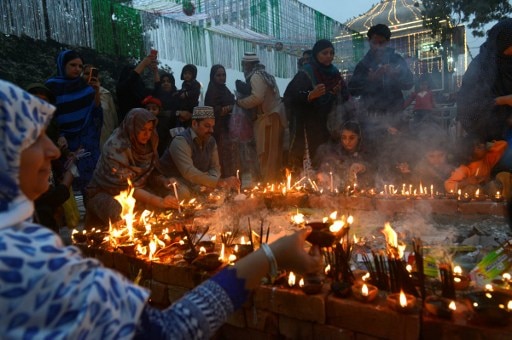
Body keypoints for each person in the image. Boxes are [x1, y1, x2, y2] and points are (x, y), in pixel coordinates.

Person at [0, 79, 323, 339]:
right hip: (109, 192)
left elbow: (172, 172)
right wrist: (270, 256)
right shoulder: (24, 264)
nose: (54, 151)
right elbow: (166, 330)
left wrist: (202, 187)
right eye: (34, 138)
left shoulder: (24, 243)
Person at [85, 108, 180, 228]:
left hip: (138, 189)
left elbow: (151, 173)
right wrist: (159, 201)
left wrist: (164, 181)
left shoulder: (150, 143)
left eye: (150, 130)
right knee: (121, 214)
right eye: (142, 129)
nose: (147, 134)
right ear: (132, 128)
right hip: (105, 191)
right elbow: (127, 186)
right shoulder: (116, 147)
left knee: (160, 211)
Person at [45, 50, 103, 201]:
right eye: (73, 65)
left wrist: (95, 91)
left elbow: (95, 113)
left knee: (89, 181)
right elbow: (48, 116)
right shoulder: (51, 87)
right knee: (65, 181)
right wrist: (59, 135)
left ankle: (92, 214)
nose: (77, 69)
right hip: (62, 144)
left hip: (85, 143)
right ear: (62, 65)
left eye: (80, 66)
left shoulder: (85, 87)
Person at [284, 39, 350, 169]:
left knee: (329, 159)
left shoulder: (334, 73)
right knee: (312, 159)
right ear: (316, 54)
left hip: (329, 126)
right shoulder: (306, 72)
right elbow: (289, 96)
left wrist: (337, 94)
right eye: (324, 53)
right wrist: (310, 95)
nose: (329, 56)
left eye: (331, 53)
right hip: (309, 125)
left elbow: (346, 96)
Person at [159, 106, 240, 199]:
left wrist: (211, 183)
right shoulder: (180, 141)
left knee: (221, 191)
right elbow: (189, 172)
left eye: (212, 126)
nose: (211, 130)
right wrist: (217, 182)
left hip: (195, 182)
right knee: (183, 193)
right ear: (194, 124)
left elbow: (215, 167)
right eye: (207, 126)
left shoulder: (211, 140)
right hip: (174, 181)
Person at [348, 24, 414, 134]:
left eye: (381, 43)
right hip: (372, 118)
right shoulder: (363, 64)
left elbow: (409, 84)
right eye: (374, 43)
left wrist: (397, 75)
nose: (378, 47)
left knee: (399, 148)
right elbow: (352, 90)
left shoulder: (396, 60)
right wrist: (370, 79)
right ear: (369, 41)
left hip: (395, 115)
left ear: (388, 42)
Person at [457, 18, 512, 142]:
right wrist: (502, 101)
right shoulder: (481, 67)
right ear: (503, 42)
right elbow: (468, 111)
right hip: (488, 137)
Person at [236, 52, 286, 182]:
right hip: (273, 117)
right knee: (272, 155)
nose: (243, 67)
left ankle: (268, 187)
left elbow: (257, 98)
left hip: (268, 119)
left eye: (244, 65)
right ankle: (271, 184)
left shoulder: (256, 76)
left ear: (248, 65)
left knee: (266, 155)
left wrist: (240, 102)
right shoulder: (265, 75)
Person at [314, 121, 374, 191]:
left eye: (352, 138)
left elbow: (374, 171)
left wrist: (363, 167)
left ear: (359, 137)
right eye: (344, 138)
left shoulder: (366, 153)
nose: (347, 142)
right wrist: (323, 174)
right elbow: (327, 165)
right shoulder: (336, 152)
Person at [204, 64, 236, 178]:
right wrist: (226, 108)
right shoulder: (212, 91)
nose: (222, 77)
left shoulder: (224, 89)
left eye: (223, 75)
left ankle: (232, 180)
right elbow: (211, 109)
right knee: (222, 156)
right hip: (218, 129)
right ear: (213, 76)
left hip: (228, 127)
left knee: (230, 155)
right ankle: (225, 181)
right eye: (218, 75)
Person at [82, 64, 119, 149]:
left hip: (105, 141)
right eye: (87, 73)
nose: (89, 76)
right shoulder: (77, 94)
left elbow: (113, 118)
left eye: (93, 74)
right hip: (85, 144)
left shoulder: (106, 94)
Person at [116, 52, 159, 122]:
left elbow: (156, 91)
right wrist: (144, 63)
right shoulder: (121, 89)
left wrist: (155, 72)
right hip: (128, 127)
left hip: (143, 127)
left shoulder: (141, 92)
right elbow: (130, 80)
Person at [153, 72, 180, 156]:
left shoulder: (178, 96)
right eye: (163, 81)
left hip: (174, 129)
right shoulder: (157, 96)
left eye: (168, 81)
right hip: (159, 130)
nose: (166, 83)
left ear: (172, 83)